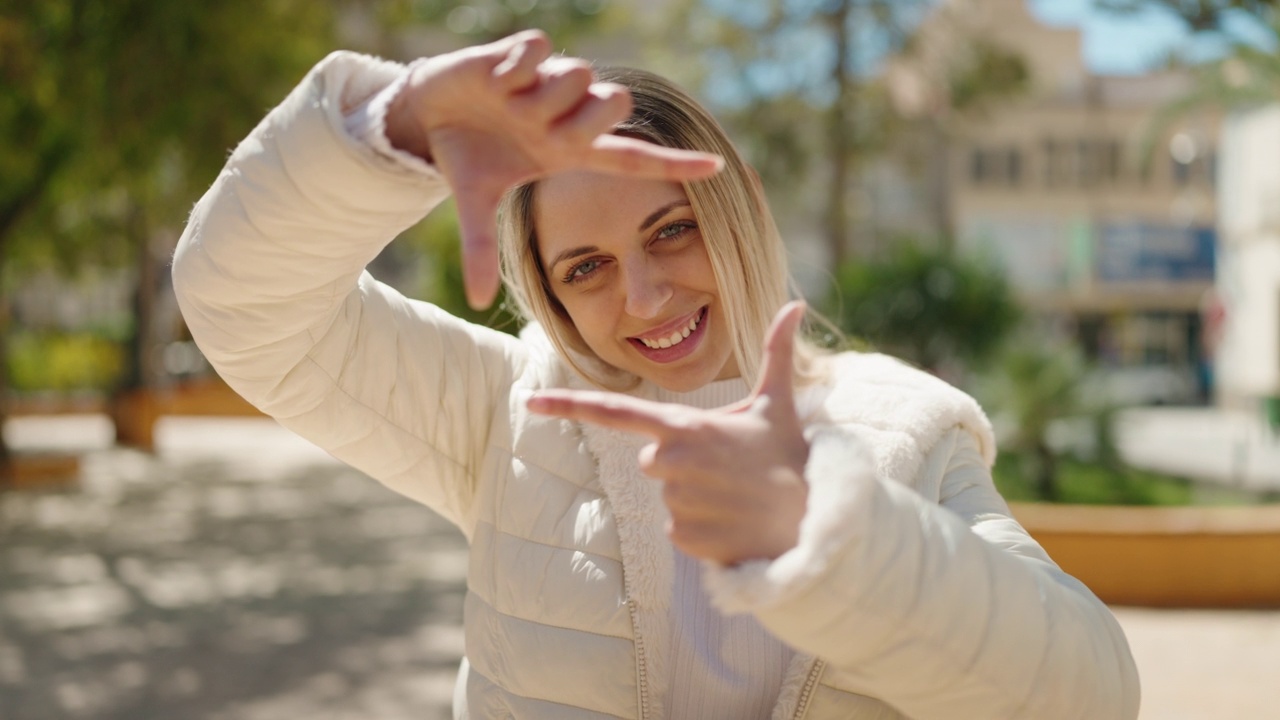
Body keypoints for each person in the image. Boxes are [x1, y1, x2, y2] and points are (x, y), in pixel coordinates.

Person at [172, 29, 1140, 720]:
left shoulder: (906, 428)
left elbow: (1084, 697)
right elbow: (249, 309)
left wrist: (823, 528)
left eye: (668, 231)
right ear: (544, 289)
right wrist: (395, 127)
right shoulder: (508, 409)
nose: (642, 299)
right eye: (583, 267)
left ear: (739, 203)